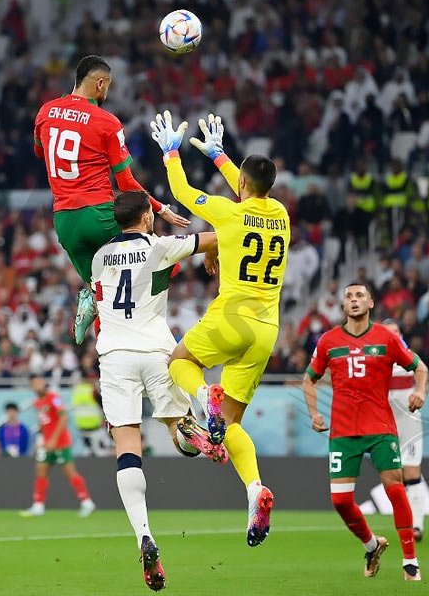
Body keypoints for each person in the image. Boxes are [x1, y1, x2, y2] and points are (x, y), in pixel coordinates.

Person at [151, 112, 290, 548]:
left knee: (180, 362)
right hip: (266, 331)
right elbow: (250, 191)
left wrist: (172, 152)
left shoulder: (229, 213)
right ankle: (255, 490)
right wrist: (220, 156)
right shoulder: (281, 213)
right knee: (229, 425)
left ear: (243, 186)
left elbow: (181, 192)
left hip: (231, 317)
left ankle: (200, 396)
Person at [90, 190, 226, 591]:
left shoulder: (99, 257)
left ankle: (144, 536)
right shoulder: (160, 245)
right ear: (148, 216)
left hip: (114, 354)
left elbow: (95, 302)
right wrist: (210, 252)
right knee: (177, 427)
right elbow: (212, 236)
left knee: (127, 447)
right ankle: (197, 422)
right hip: (156, 350)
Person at [33, 55, 189, 344]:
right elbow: (126, 183)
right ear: (100, 83)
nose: (107, 93)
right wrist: (161, 209)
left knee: (104, 292)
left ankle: (93, 306)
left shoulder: (45, 111)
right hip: (100, 216)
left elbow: (40, 152)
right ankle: (145, 324)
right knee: (168, 261)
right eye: (108, 87)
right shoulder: (107, 122)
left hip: (64, 222)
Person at [303, 283, 429, 581]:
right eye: (349, 296)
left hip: (381, 427)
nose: (354, 300)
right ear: (343, 305)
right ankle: (372, 545)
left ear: (370, 303)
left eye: (360, 295)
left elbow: (420, 367)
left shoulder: (387, 337)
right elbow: (309, 380)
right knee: (341, 502)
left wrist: (420, 391)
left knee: (395, 489)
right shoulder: (328, 341)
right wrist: (314, 413)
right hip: (343, 431)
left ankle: (410, 561)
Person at [20, 376, 96, 518]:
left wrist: (54, 439)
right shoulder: (36, 403)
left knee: (69, 472)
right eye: (33, 384)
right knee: (40, 470)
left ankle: (87, 502)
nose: (36, 385)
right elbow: (44, 424)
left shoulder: (53, 397)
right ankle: (38, 505)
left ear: (44, 383)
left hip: (60, 442)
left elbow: (63, 417)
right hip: (47, 444)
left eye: (38, 382)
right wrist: (41, 440)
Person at [383, 319, 426, 542]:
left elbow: (422, 372)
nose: (392, 336)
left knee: (411, 473)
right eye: (387, 332)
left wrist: (421, 392)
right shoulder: (374, 360)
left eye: (395, 332)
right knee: (394, 476)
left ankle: (416, 526)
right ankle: (405, 522)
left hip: (409, 423)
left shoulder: (408, 357)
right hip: (385, 426)